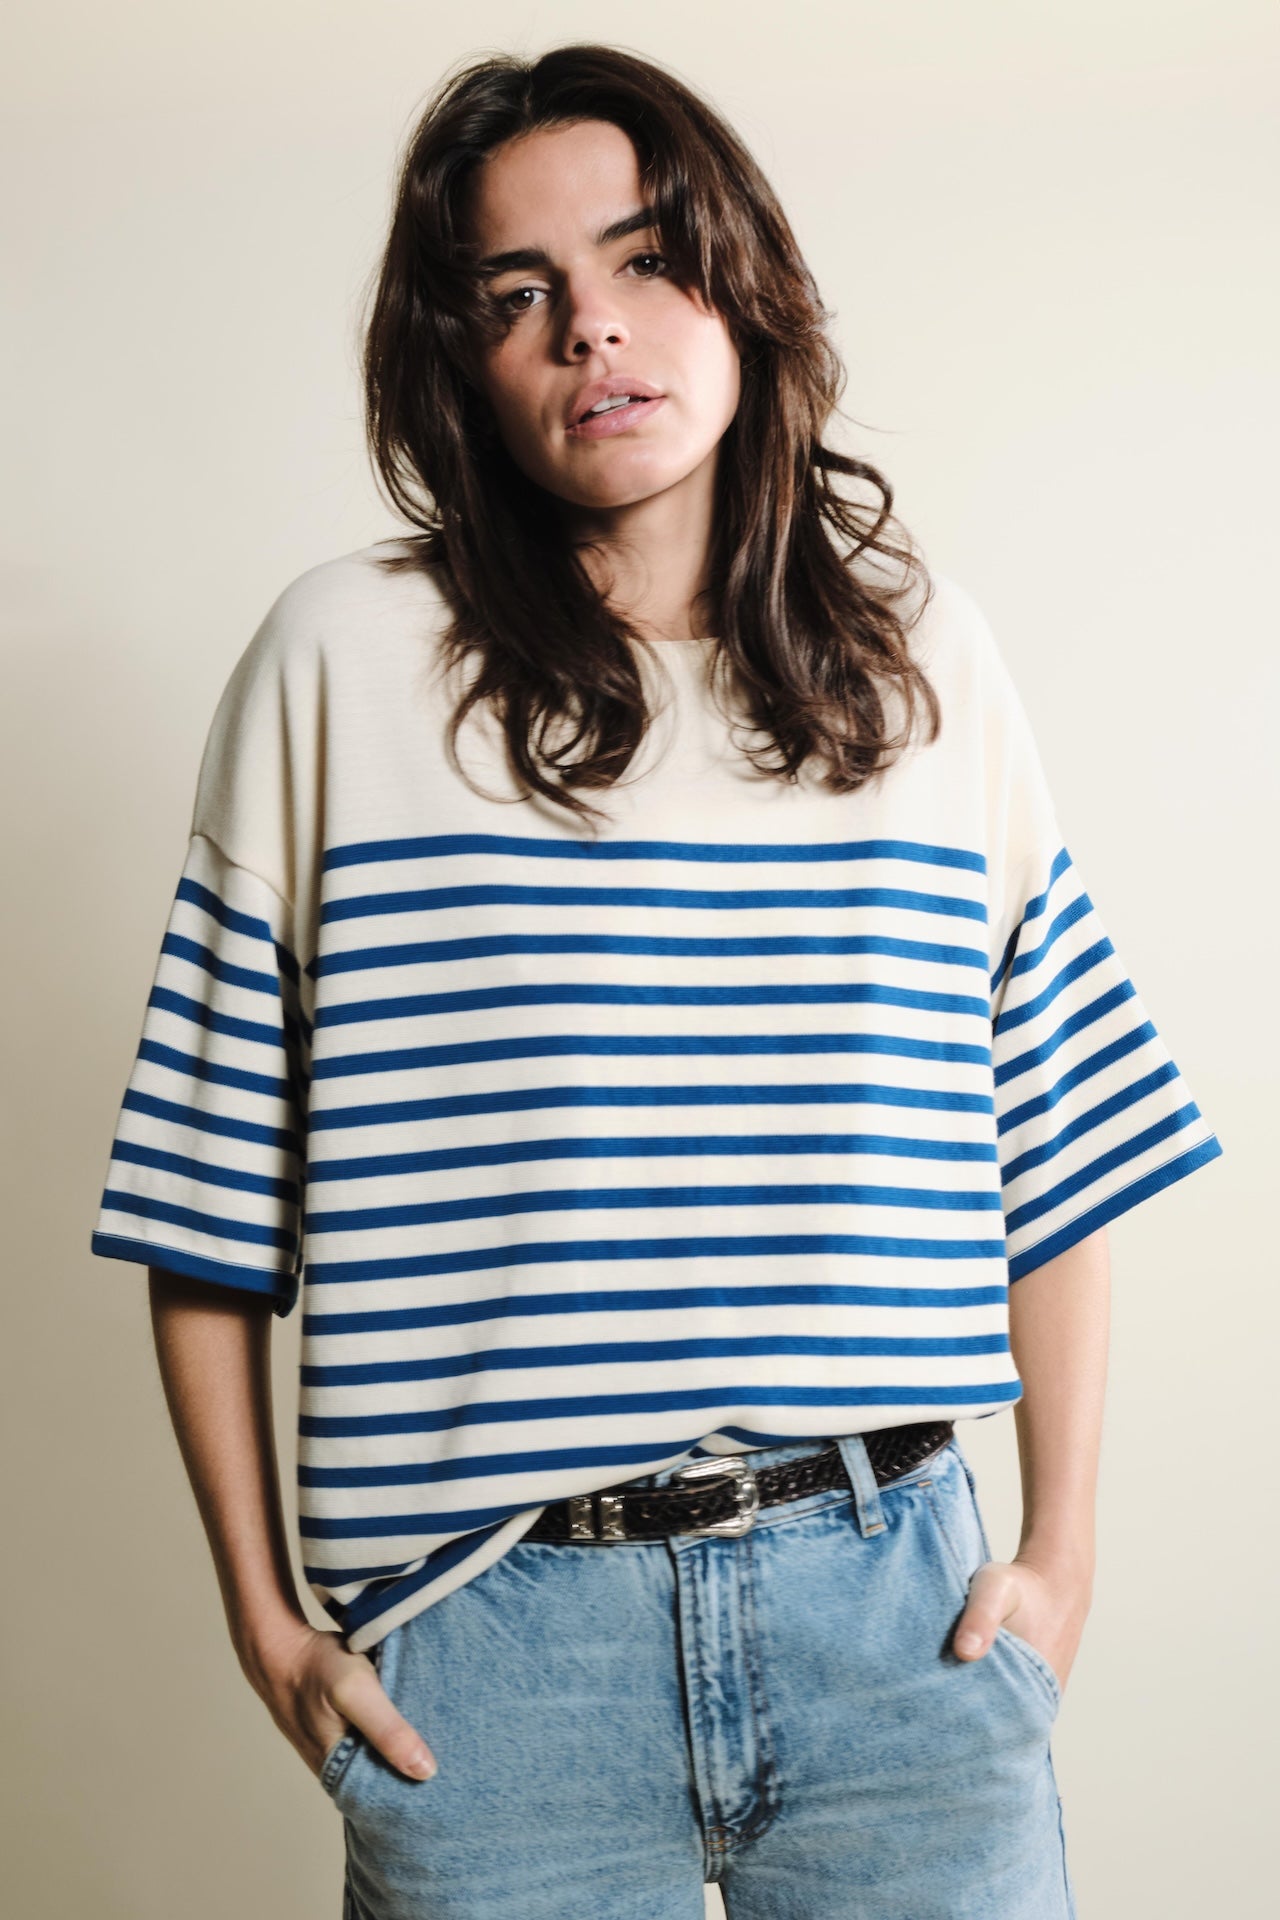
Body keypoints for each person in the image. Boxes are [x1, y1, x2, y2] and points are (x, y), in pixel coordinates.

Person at [89, 42, 1223, 1920]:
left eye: (643, 261)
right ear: (459, 361)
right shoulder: (340, 667)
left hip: (898, 1624)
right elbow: (205, 1211)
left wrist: (1064, 1553)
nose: (591, 330)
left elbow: (1056, 1154)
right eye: (517, 294)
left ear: (741, 284)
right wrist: (267, 1628)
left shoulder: (922, 670)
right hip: (491, 1656)